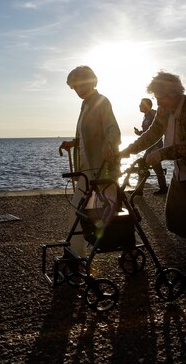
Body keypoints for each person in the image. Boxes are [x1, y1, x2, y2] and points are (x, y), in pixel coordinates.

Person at [120, 71, 186, 284]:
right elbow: (152, 133)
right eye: (156, 97)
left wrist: (161, 154)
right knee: (175, 211)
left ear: (174, 93)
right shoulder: (165, 109)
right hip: (182, 166)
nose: (158, 101)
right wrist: (128, 150)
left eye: (161, 97)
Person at [59, 65, 121, 256]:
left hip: (102, 169)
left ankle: (129, 245)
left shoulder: (101, 102)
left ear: (92, 81)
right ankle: (75, 252)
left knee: (110, 210)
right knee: (87, 210)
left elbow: (113, 129)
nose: (78, 90)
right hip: (88, 170)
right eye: (75, 87)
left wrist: (108, 145)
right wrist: (73, 143)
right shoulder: (85, 105)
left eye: (81, 85)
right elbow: (87, 135)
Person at [133, 98, 168, 195]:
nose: (139, 106)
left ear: (146, 105)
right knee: (156, 167)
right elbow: (148, 133)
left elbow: (158, 130)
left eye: (141, 104)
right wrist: (139, 133)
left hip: (155, 145)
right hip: (150, 146)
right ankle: (163, 188)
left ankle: (139, 190)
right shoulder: (146, 116)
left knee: (143, 165)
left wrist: (159, 147)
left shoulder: (154, 115)